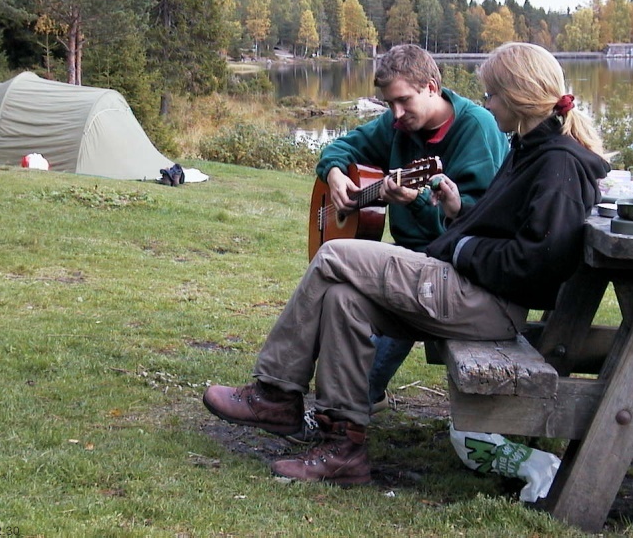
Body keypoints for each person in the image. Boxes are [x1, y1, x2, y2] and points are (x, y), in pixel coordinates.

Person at [203, 42, 610, 485]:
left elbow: (537, 264)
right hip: (465, 287)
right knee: (342, 299)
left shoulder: (558, 165)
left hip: (484, 302)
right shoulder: (529, 148)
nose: (487, 103)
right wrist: (457, 211)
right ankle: (343, 447)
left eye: (492, 93)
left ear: (517, 94)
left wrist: (459, 247)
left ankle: (276, 393)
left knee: (334, 254)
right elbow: (502, 229)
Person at [311, 43, 508, 427]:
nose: (396, 115)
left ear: (431, 87)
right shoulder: (398, 124)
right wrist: (334, 172)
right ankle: (345, 398)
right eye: (389, 105)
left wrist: (416, 200)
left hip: (459, 267)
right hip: (411, 254)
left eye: (403, 101)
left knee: (356, 273)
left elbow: (474, 226)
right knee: (343, 290)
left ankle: (351, 397)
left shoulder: (477, 130)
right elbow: (340, 147)